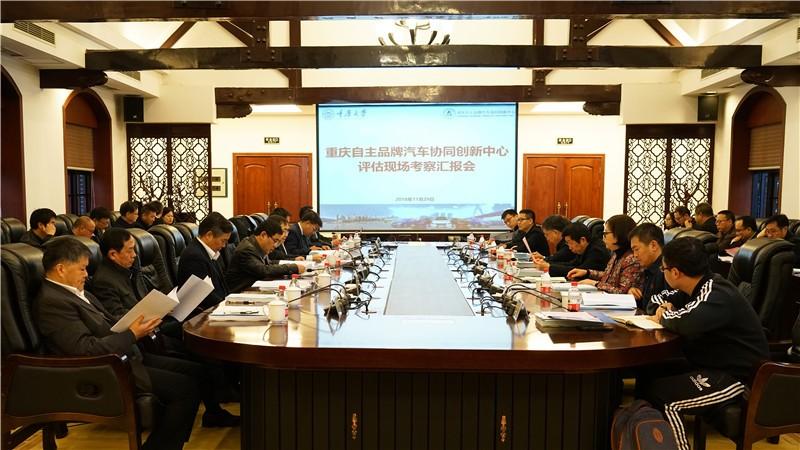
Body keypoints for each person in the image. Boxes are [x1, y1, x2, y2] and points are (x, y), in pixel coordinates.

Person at [34, 238, 201, 450]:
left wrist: (140, 320)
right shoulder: (52, 302)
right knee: (185, 388)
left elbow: (109, 323)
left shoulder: (75, 291)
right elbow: (85, 349)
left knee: (196, 373)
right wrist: (132, 333)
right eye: (82, 269)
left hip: (125, 357)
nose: (86, 274)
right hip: (102, 372)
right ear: (61, 269)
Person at [91, 228, 240, 427]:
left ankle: (218, 403)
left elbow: (145, 298)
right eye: (130, 250)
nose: (135, 255)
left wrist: (164, 305)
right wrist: (154, 312)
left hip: (154, 327)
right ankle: (214, 408)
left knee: (200, 338)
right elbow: (118, 319)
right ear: (113, 254)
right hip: (142, 339)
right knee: (198, 348)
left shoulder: (131, 270)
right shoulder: (105, 281)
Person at [640, 238, 769, 450]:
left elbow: (686, 322)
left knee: (666, 398)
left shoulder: (717, 293)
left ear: (675, 272)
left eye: (663, 269)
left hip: (739, 379)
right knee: (649, 373)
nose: (663, 273)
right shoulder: (691, 288)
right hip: (709, 366)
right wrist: (662, 310)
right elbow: (654, 300)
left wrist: (664, 315)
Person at [226, 218, 306, 293]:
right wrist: (292, 267)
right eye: (275, 241)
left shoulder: (256, 245)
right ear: (263, 235)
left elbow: (269, 263)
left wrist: (293, 262)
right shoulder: (247, 249)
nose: (275, 245)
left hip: (252, 290)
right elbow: (264, 270)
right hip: (241, 293)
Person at [567, 214, 642, 294]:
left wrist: (595, 283)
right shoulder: (616, 253)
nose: (603, 237)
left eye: (605, 233)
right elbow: (609, 276)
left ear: (618, 234)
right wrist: (587, 273)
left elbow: (622, 292)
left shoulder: (631, 259)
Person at [177, 212, 232, 310]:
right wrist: (226, 308)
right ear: (209, 235)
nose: (224, 246)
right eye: (223, 241)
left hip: (217, 308)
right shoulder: (194, 256)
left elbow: (222, 286)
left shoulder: (210, 252)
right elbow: (205, 296)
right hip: (201, 313)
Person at [628, 223, 667, 312]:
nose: (635, 255)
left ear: (653, 245)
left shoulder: (666, 270)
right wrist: (633, 295)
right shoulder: (649, 268)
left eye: (636, 249)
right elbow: (646, 304)